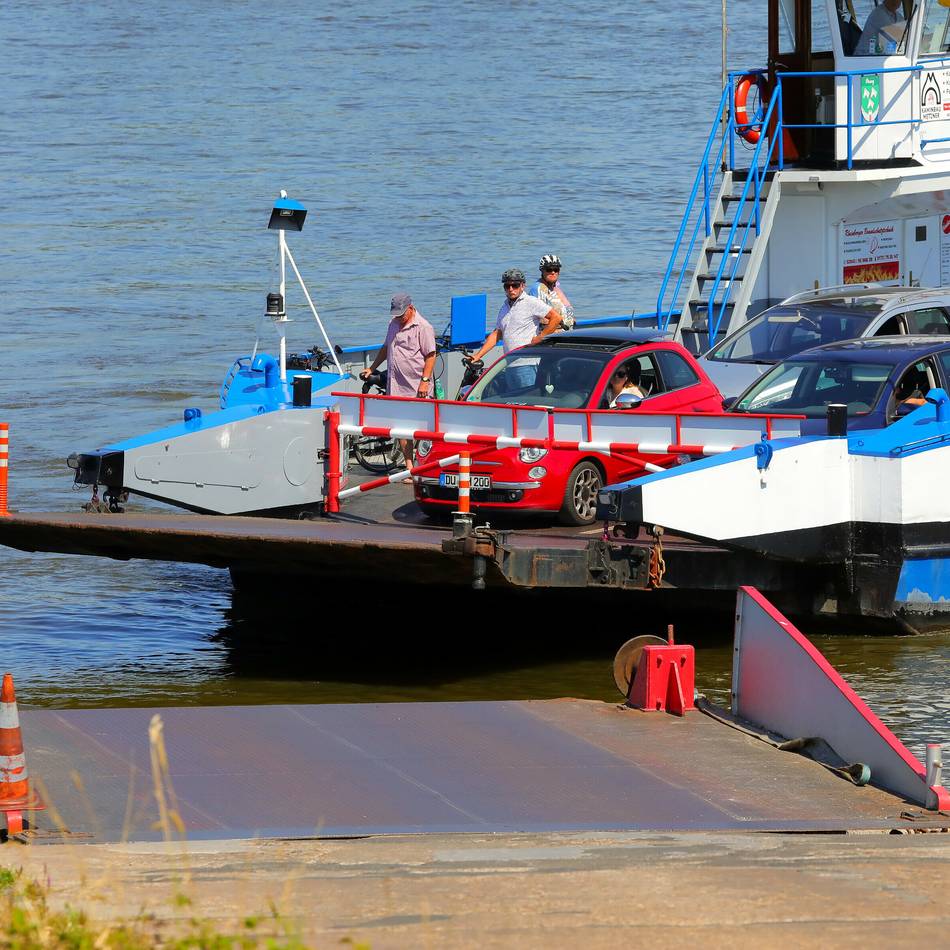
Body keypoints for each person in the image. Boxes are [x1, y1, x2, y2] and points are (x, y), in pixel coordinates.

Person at [360, 292, 436, 471]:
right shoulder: (393, 324)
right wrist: (372, 367)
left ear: (410, 308)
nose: (398, 318)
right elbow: (386, 347)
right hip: (396, 385)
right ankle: (409, 467)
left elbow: (431, 356)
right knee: (402, 428)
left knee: (424, 428)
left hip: (417, 386)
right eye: (395, 315)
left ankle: (426, 465)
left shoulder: (423, 327)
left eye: (401, 315)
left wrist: (424, 381)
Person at [470, 268, 562, 389]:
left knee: (527, 402)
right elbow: (497, 334)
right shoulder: (504, 307)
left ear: (522, 286)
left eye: (515, 285)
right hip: (509, 364)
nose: (511, 289)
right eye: (507, 286)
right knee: (515, 403)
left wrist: (540, 337)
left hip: (526, 364)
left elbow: (556, 318)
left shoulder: (531, 302)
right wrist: (478, 355)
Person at [530, 254, 575, 329]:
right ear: (542, 271)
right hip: (550, 335)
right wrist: (560, 324)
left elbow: (568, 308)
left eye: (556, 269)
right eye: (549, 269)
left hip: (565, 332)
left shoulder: (555, 287)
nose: (553, 272)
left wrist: (570, 320)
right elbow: (537, 318)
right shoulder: (538, 289)